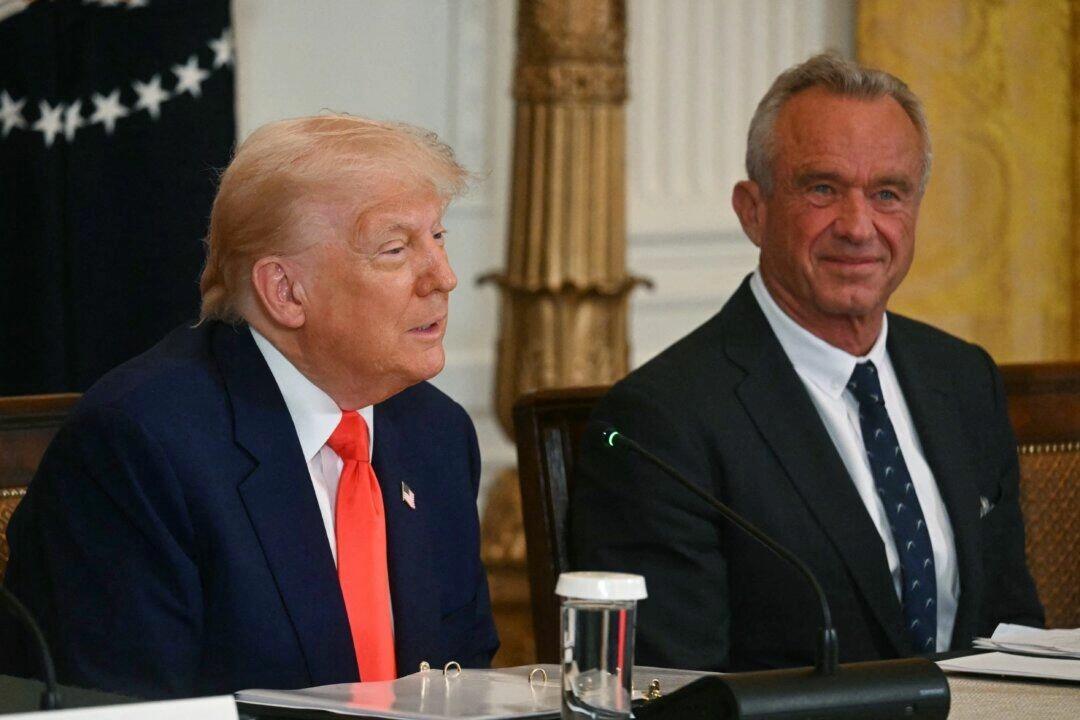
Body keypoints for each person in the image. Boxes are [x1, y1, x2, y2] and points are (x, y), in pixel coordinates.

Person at [571, 53, 1043, 672]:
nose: (858, 226)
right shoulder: (662, 423)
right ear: (753, 210)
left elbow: (1013, 634)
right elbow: (673, 688)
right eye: (823, 188)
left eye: (888, 194)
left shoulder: (963, 379)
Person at [3, 115, 499, 698]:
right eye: (396, 249)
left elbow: (466, 684)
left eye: (437, 236)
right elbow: (123, 709)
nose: (444, 277)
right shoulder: (138, 449)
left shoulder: (437, 434)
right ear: (285, 291)